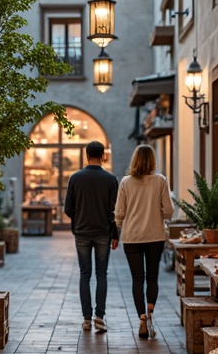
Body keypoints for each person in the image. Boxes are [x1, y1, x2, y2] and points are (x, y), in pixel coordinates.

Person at [115, 144, 173, 339]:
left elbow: (119, 213)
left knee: (137, 279)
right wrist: (157, 213)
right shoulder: (160, 181)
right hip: (154, 236)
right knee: (152, 277)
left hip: (132, 237)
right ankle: (150, 312)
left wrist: (119, 224)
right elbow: (169, 211)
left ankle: (141, 319)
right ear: (152, 161)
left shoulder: (125, 182)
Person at [63, 140, 120, 333]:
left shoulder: (75, 178)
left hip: (82, 232)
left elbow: (67, 208)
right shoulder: (111, 180)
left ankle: (86, 318)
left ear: (86, 156)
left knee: (84, 275)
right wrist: (115, 234)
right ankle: (99, 317)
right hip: (103, 232)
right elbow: (115, 211)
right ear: (103, 156)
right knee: (101, 274)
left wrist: (79, 218)